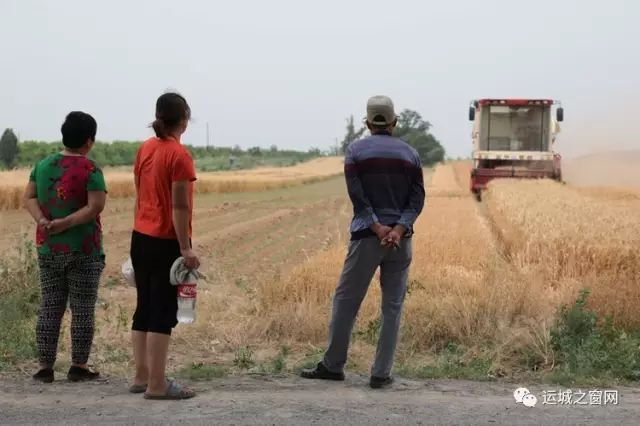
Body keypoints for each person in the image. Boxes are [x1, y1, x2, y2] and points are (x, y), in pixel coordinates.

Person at [301, 95, 425, 389]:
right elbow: (417, 198)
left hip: (366, 237)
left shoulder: (355, 151)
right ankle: (381, 373)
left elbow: (358, 197)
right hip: (401, 242)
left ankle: (333, 366)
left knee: (346, 301)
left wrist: (377, 227)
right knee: (392, 306)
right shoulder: (411, 154)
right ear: (394, 122)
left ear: (368, 123)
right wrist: (398, 228)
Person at [24, 111, 107, 383]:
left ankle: (44, 366)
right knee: (82, 307)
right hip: (84, 249)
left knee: (50, 305)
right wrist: (67, 223)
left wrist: (44, 221)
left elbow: (29, 198)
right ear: (89, 140)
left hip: (48, 247)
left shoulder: (42, 165)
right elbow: (95, 207)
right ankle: (78, 365)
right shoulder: (91, 170)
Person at [129, 92, 199, 400]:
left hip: (140, 236)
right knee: (162, 311)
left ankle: (141, 376)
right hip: (165, 241)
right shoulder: (179, 155)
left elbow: (139, 193)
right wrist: (186, 248)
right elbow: (180, 207)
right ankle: (157, 385)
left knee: (144, 307)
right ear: (184, 119)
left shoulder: (145, 148)